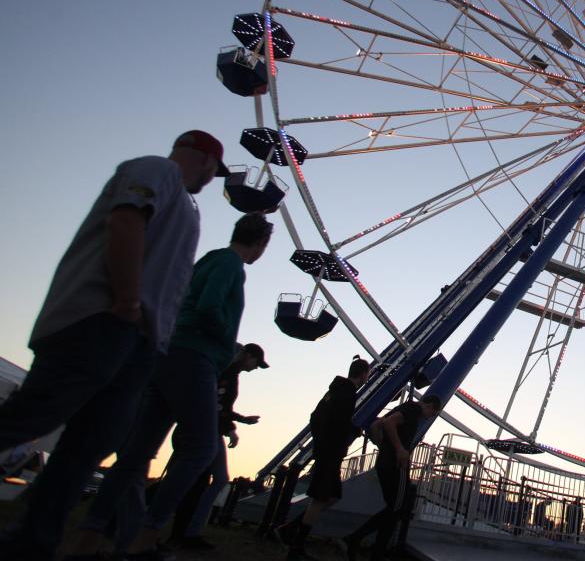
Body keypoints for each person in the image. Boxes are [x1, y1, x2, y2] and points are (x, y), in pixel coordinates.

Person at [0, 130, 227, 561]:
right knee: (34, 414)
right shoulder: (155, 170)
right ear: (203, 158)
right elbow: (125, 221)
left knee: (92, 443)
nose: (214, 179)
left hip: (140, 341)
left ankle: (33, 541)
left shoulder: (187, 208)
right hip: (99, 321)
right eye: (214, 169)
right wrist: (126, 300)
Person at [69, 213, 273, 561]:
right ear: (260, 243)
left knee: (135, 455)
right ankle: (145, 539)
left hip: (167, 354)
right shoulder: (230, 266)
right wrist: (227, 344)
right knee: (200, 449)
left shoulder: (208, 261)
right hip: (195, 357)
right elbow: (209, 307)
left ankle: (88, 540)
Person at [170, 342, 269, 550]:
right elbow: (217, 405)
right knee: (195, 479)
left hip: (212, 428)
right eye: (256, 363)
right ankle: (188, 529)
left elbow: (221, 406)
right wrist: (236, 423)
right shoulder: (227, 374)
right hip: (206, 429)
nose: (254, 368)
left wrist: (236, 424)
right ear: (247, 356)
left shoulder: (230, 374)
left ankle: (191, 528)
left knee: (209, 478)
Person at [278, 356, 371, 560]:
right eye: (368, 374)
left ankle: (290, 529)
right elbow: (339, 422)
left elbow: (315, 416)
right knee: (321, 497)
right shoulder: (347, 394)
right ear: (363, 374)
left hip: (326, 451)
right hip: (330, 453)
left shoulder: (334, 390)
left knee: (332, 496)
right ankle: (296, 545)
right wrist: (347, 434)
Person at [343, 394, 442, 561]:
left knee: (393, 508)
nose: (429, 417)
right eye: (433, 413)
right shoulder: (415, 410)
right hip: (397, 466)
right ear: (430, 406)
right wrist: (399, 449)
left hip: (384, 464)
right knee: (399, 507)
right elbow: (389, 423)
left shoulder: (404, 407)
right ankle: (358, 540)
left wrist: (384, 447)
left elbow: (376, 425)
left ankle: (370, 547)